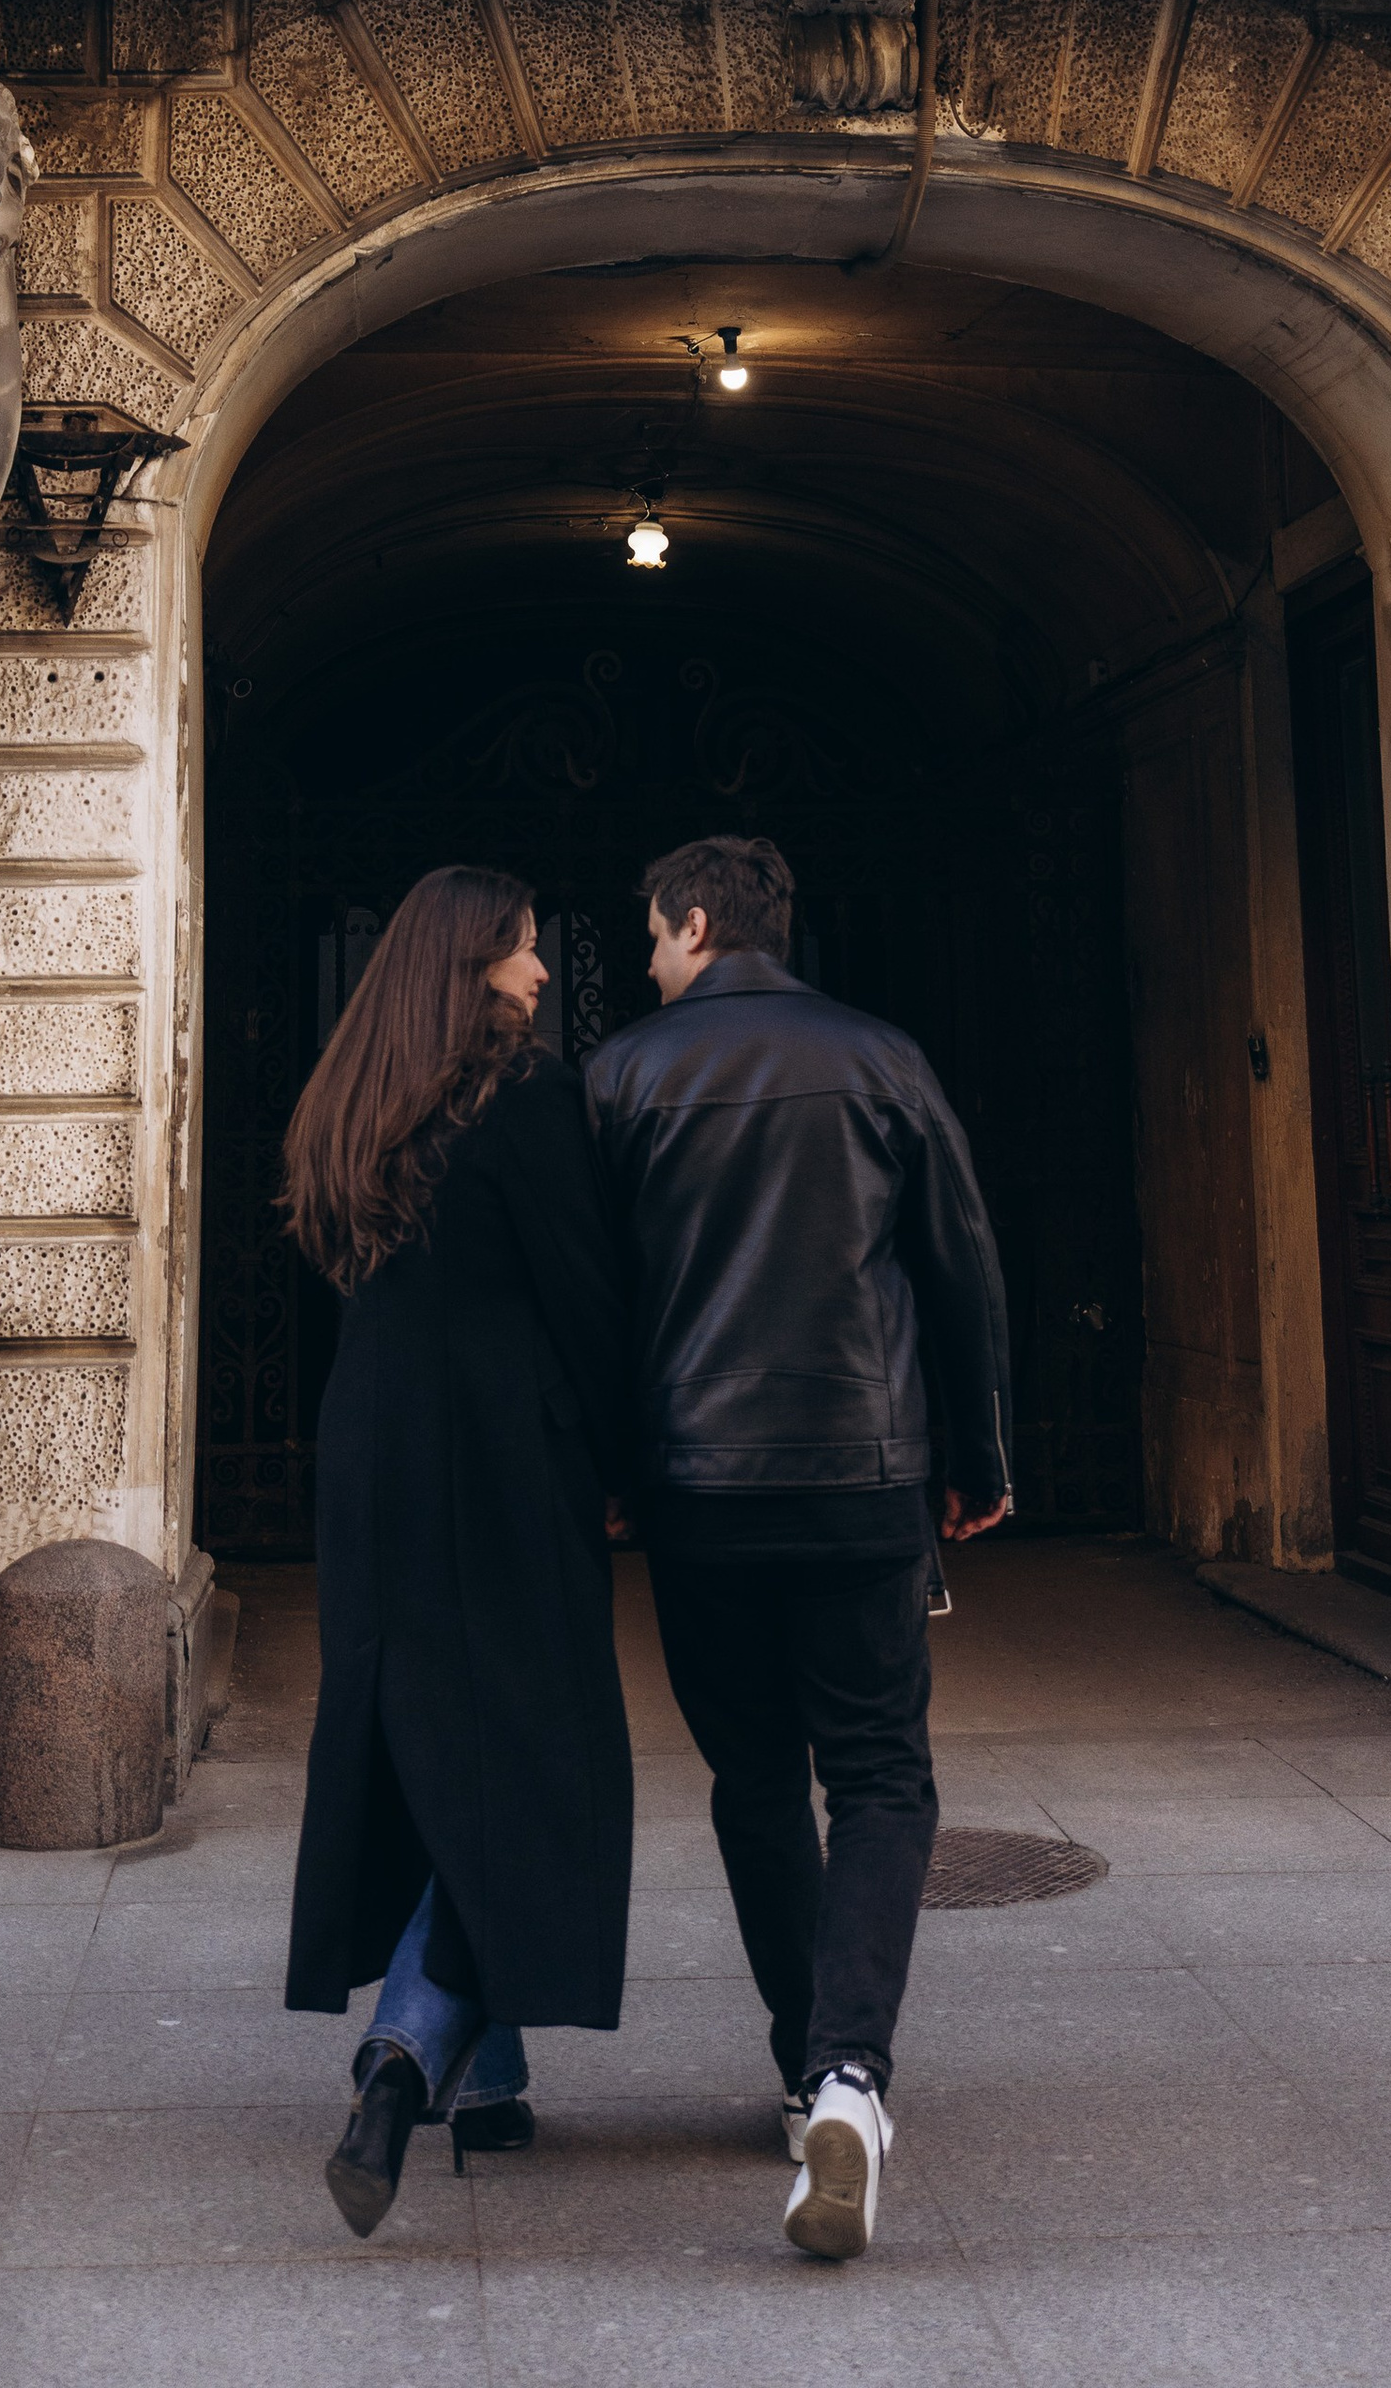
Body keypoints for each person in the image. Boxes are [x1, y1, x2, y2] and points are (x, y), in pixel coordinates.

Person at [584, 833, 1012, 2263]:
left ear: (700, 922)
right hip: (860, 1474)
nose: (650, 960)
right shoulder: (882, 1058)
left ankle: (798, 2069)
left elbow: (600, 1301)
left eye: (654, 935)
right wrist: (977, 1461)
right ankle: (847, 2076)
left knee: (755, 1777)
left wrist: (616, 1474)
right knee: (881, 1775)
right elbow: (959, 1269)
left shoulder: (621, 1075)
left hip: (698, 1487)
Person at [281, 867, 635, 2236]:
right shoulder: (526, 1101)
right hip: (503, 1459)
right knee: (535, 1760)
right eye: (524, 950)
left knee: (433, 1744)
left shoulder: (350, 1100)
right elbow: (585, 1298)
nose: (540, 973)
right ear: (472, 960)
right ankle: (406, 2053)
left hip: (374, 1454)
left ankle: (489, 2077)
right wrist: (626, 1462)